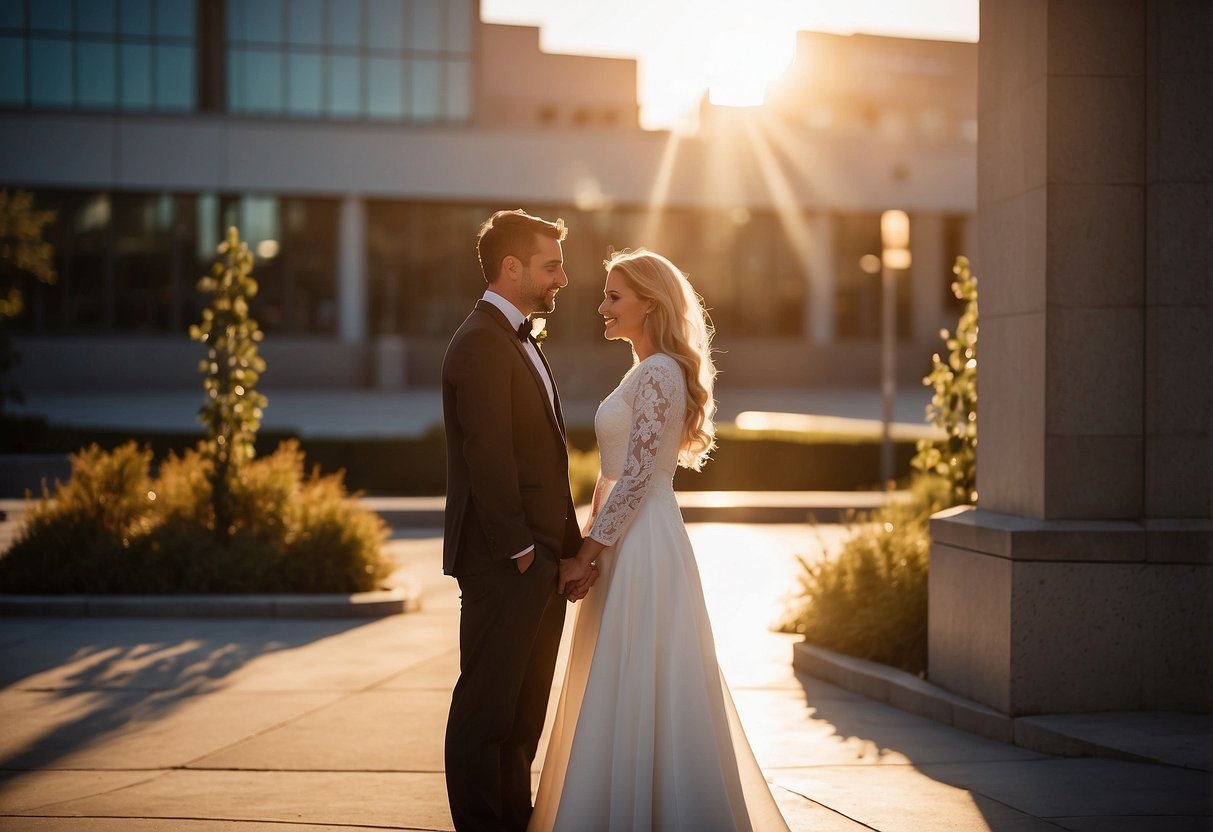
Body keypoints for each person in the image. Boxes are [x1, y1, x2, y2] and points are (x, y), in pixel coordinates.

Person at [528, 249, 790, 831]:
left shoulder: (661, 373)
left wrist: (586, 553)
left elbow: (641, 475)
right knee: (619, 675)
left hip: (644, 544)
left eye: (614, 296)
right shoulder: (641, 370)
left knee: (646, 671)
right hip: (626, 539)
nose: (602, 306)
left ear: (650, 303)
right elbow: (614, 476)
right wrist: (593, 545)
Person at [441, 209, 597, 832]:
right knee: (486, 711)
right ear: (512, 268)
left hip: (538, 562)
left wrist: (567, 549)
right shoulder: (479, 341)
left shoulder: (516, 337)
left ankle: (514, 821)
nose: (563, 277)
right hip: (504, 562)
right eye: (550, 265)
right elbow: (489, 456)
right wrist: (519, 552)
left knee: (522, 713)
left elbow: (543, 460)